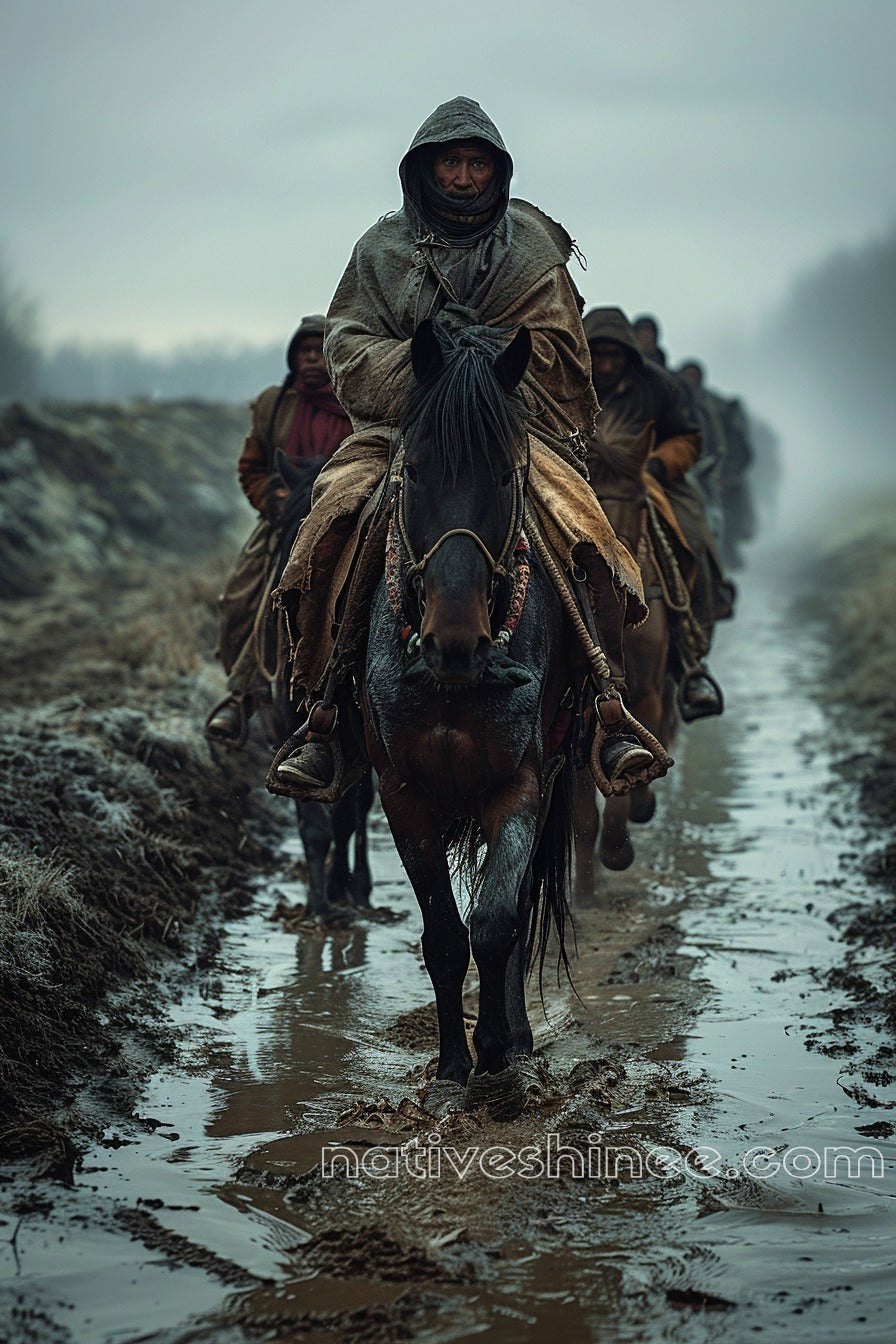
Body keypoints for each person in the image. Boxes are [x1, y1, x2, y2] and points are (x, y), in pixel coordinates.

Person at [271, 96, 666, 800]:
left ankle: (609, 709)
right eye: (449, 162)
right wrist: (427, 371)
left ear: (497, 170)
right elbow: (347, 344)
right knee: (327, 522)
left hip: (513, 431)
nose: (461, 176)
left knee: (590, 532)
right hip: (401, 430)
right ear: (424, 169)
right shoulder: (380, 250)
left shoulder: (536, 253)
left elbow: (562, 355)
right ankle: (325, 714)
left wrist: (479, 361)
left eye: (475, 162)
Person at [204, 315, 352, 745]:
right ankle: (244, 694)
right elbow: (251, 467)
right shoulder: (275, 405)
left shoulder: (359, 402)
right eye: (302, 352)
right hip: (285, 521)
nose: (310, 360)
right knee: (240, 600)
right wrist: (273, 499)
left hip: (349, 517)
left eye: (318, 351)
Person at [582, 306, 728, 719]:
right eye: (599, 355)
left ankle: (690, 655)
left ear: (629, 355)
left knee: (695, 537)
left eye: (615, 355)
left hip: (648, 480)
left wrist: (659, 465)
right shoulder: (565, 382)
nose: (607, 364)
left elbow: (687, 437)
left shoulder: (657, 386)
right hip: (578, 480)